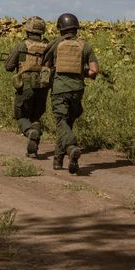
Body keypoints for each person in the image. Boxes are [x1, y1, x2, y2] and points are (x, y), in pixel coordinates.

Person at [41, 13, 99, 174]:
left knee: (61, 122)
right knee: (67, 123)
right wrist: (82, 72)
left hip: (59, 90)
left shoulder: (55, 44)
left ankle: (72, 147)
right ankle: (58, 160)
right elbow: (94, 71)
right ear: (76, 28)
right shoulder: (85, 46)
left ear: (60, 28)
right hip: (77, 90)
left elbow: (45, 65)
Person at [4, 16, 52, 158]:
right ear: (42, 31)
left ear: (27, 30)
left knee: (21, 116)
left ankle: (30, 132)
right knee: (36, 116)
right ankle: (33, 147)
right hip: (43, 85)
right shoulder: (48, 47)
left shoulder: (22, 45)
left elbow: (8, 66)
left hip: (25, 85)